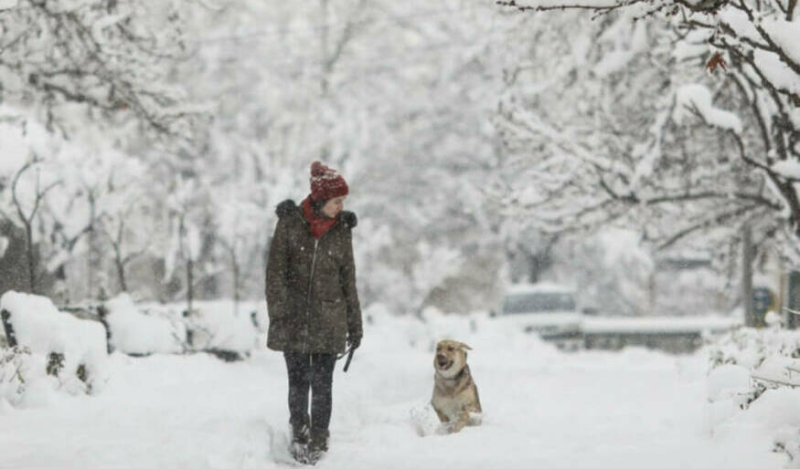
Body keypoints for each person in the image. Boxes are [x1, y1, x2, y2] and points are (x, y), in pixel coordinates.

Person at [265, 161, 363, 465]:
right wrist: (280, 312)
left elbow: (348, 279)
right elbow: (275, 274)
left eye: (343, 201)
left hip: (329, 320)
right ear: (321, 200)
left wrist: (354, 325)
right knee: (298, 382)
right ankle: (299, 433)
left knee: (322, 385)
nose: (341, 206)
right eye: (337, 201)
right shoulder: (290, 224)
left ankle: (320, 438)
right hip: (293, 320)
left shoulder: (342, 231)